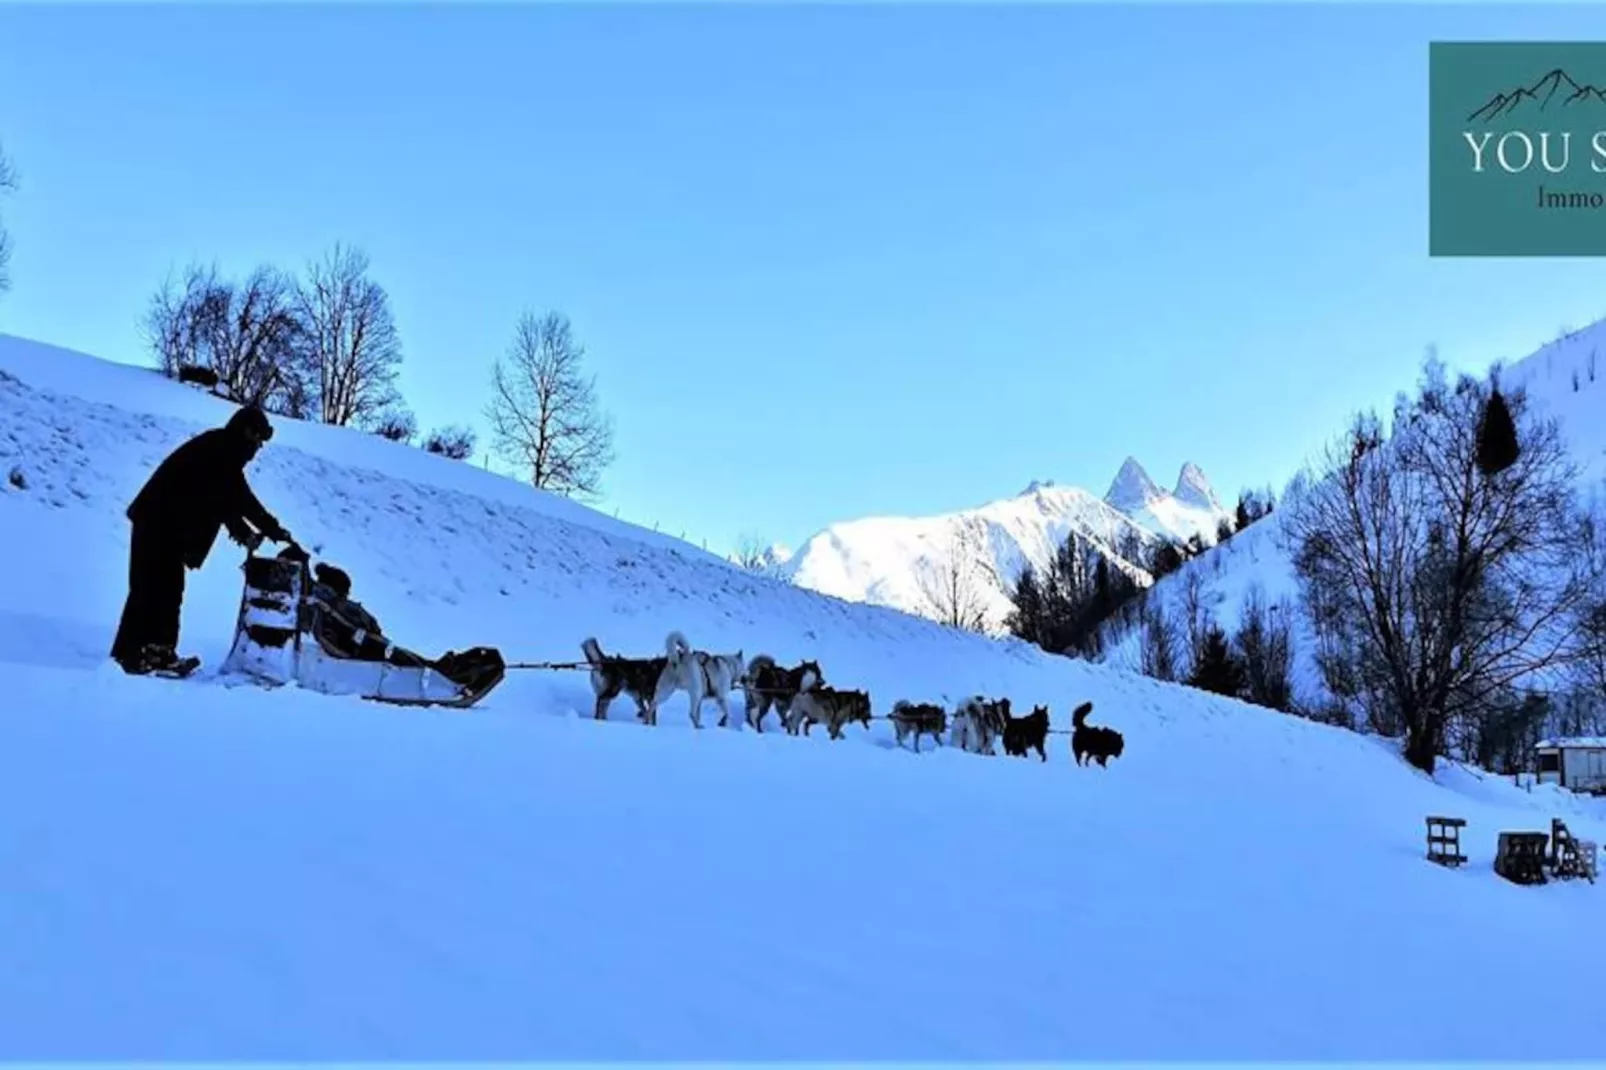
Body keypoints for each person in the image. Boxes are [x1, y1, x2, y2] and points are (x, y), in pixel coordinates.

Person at [110, 404, 294, 675]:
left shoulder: (222, 451)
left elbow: (233, 498)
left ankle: (146, 651)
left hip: (162, 522)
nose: (258, 449)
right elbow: (228, 500)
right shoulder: (219, 452)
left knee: (160, 588)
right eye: (258, 439)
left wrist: (269, 530)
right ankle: (140, 654)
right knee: (155, 588)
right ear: (246, 431)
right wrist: (253, 532)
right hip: (158, 521)